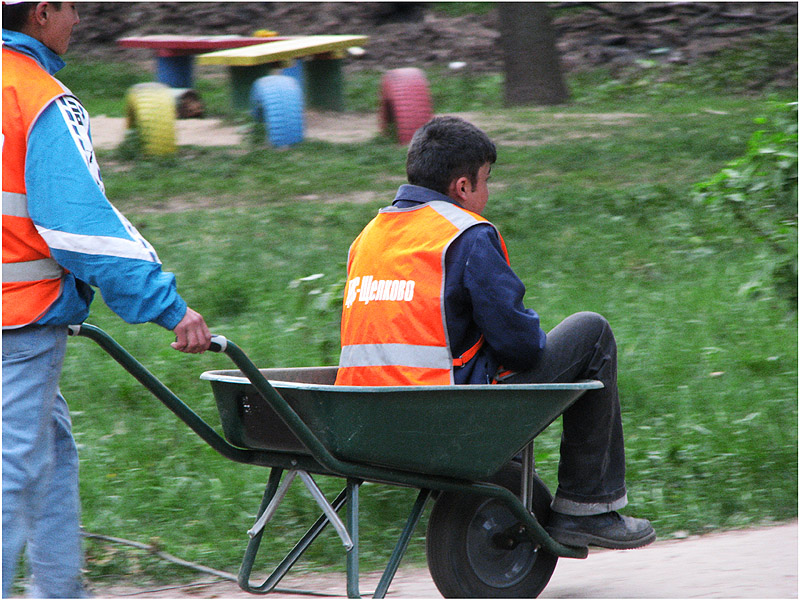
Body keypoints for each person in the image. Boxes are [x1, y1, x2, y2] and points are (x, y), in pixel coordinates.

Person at [335, 115, 655, 550]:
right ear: (462, 187)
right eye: (486, 181)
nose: (488, 193)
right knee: (590, 333)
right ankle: (588, 506)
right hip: (442, 421)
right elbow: (520, 346)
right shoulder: (463, 234)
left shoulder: (367, 238)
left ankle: (523, 486)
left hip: (361, 424)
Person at [2, 2, 212, 596]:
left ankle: (61, 589)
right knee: (12, 471)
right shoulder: (39, 99)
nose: (77, 20)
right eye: (71, 7)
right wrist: (169, 307)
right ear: (42, 13)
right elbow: (79, 228)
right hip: (16, 319)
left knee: (51, 448)